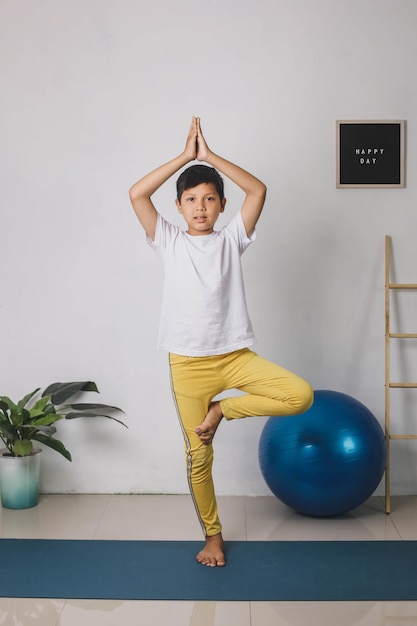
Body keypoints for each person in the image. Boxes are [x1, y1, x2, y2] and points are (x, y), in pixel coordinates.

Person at [129, 117, 313, 568]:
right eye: (191, 199)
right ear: (177, 206)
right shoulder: (168, 241)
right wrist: (184, 157)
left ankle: (223, 410)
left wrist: (209, 158)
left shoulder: (233, 238)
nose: (200, 206)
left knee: (300, 395)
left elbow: (259, 191)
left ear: (222, 205)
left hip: (235, 359)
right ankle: (213, 535)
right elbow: (136, 194)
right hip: (188, 366)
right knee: (199, 456)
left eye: (209, 199)